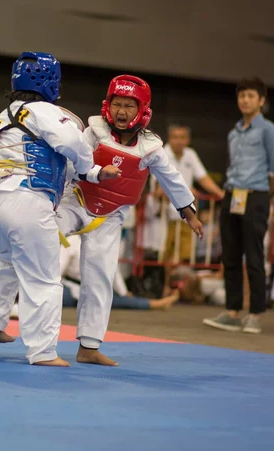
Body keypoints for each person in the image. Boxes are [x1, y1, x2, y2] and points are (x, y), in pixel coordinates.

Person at [0, 51, 118, 368]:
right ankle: (43, 352)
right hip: (25, 197)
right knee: (44, 276)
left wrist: (90, 174)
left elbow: (47, 158)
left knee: (7, 254)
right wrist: (89, 165)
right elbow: (74, 145)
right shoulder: (48, 112)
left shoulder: (5, 112)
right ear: (52, 84)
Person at [55, 74, 203, 366]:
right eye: (117, 103)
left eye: (129, 106)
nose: (122, 111)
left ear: (142, 110)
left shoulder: (150, 147)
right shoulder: (94, 131)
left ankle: (88, 346)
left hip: (110, 217)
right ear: (107, 104)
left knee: (100, 277)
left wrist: (189, 213)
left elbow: (171, 179)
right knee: (41, 239)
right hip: (77, 200)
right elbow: (72, 161)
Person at [204, 77, 274, 334]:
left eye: (251, 96)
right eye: (242, 96)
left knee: (255, 255)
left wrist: (262, 194)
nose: (245, 100)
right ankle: (233, 311)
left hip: (255, 195)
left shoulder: (268, 130)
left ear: (261, 100)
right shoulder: (233, 133)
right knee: (231, 255)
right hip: (231, 195)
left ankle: (256, 314)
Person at [156, 125, 224, 296]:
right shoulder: (161, 153)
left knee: (184, 255)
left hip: (187, 215)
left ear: (188, 140)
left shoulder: (191, 155)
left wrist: (221, 195)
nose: (178, 141)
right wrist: (188, 189)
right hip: (164, 215)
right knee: (166, 255)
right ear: (169, 138)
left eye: (182, 137)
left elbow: (203, 178)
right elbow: (158, 188)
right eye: (175, 137)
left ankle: (178, 290)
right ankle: (166, 288)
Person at [61, 235, 179, 310]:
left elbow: (113, 270)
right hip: (71, 289)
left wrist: (123, 291)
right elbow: (59, 269)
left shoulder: (102, 242)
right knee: (54, 297)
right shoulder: (72, 241)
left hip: (96, 288)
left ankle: (155, 304)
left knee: (118, 300)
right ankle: (155, 304)